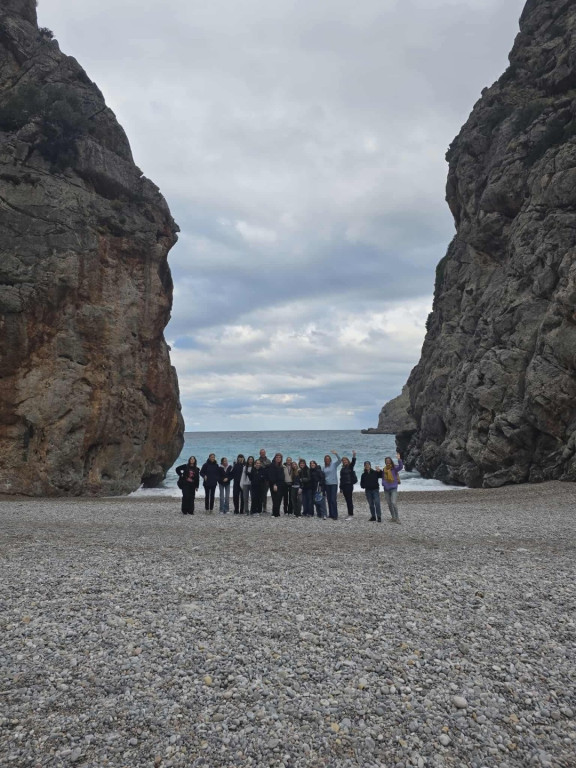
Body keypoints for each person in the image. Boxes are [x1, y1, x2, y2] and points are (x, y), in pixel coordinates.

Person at [382, 453, 403, 523]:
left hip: (393, 488)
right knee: (389, 504)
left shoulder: (394, 468)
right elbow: (383, 478)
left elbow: (401, 467)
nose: (388, 462)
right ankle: (393, 517)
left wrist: (399, 459)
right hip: (386, 489)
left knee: (393, 502)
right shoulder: (384, 469)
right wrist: (384, 484)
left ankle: (397, 518)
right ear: (385, 462)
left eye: (389, 460)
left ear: (391, 461)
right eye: (386, 461)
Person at [322, 450, 342, 520]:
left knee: (333, 499)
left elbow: (340, 460)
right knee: (329, 499)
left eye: (328, 459)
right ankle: (331, 514)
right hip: (327, 485)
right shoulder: (323, 467)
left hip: (333, 484)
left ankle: (335, 515)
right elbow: (322, 475)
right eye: (326, 459)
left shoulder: (334, 465)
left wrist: (336, 454)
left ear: (330, 459)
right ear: (325, 460)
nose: (327, 460)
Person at [339, 451, 357, 518]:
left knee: (349, 499)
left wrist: (354, 455)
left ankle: (351, 514)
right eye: (343, 460)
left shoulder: (350, 467)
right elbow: (341, 479)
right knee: (347, 500)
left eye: (345, 460)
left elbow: (353, 462)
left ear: (348, 461)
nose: (344, 461)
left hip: (349, 485)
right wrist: (340, 487)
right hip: (344, 486)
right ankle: (350, 512)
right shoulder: (342, 469)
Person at [268, 453, 286, 518]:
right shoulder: (272, 465)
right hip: (274, 484)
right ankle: (274, 513)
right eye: (277, 457)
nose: (278, 458)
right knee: (275, 499)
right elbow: (271, 476)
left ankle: (277, 513)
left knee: (279, 499)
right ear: (275, 458)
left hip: (281, 484)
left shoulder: (281, 465)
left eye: (279, 457)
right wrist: (274, 484)